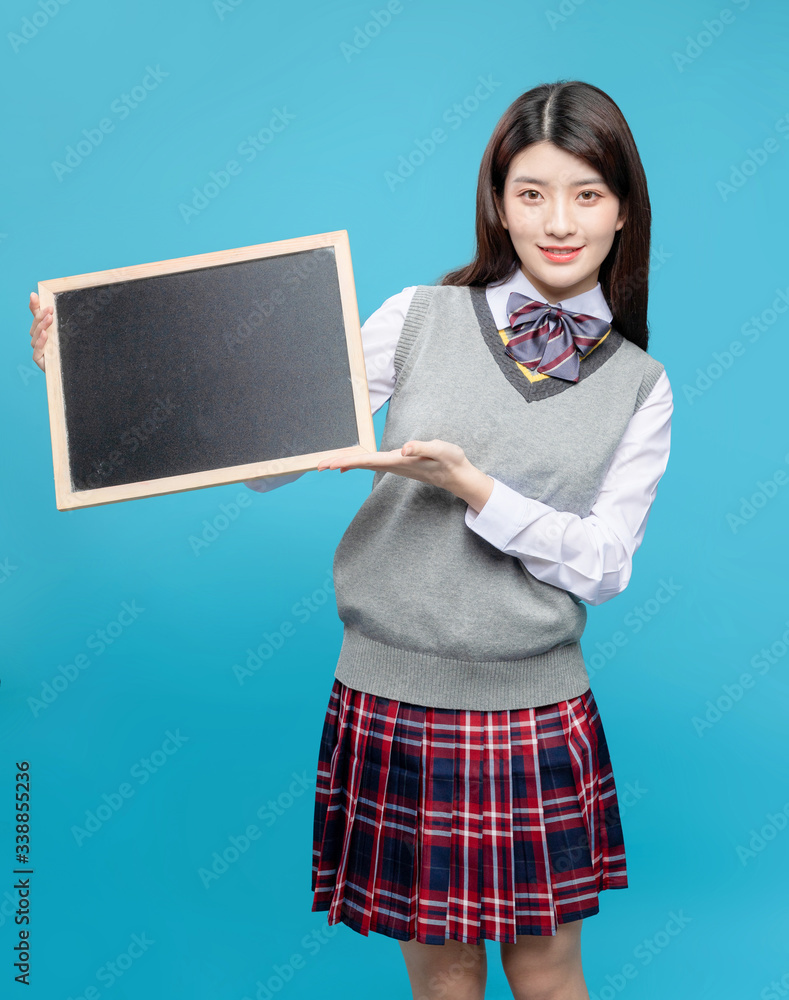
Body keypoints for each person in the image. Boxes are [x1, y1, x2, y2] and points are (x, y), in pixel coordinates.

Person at [29, 79, 672, 1000]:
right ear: (497, 201)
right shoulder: (418, 317)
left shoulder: (642, 387)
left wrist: (473, 487)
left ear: (621, 211)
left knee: (546, 964)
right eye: (531, 191)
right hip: (392, 695)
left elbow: (604, 567)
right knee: (443, 973)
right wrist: (94, 372)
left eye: (585, 193)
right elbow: (266, 448)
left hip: (532, 707)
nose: (557, 219)